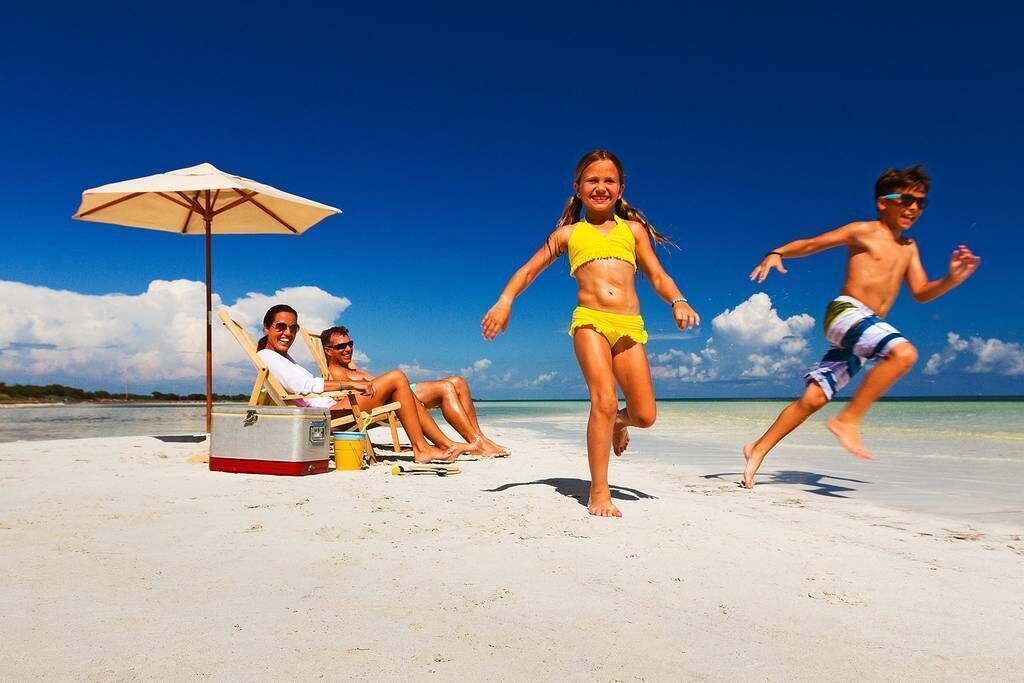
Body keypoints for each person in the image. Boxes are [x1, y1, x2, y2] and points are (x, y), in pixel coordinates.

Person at [481, 150, 700, 517]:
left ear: (620, 189)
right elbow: (528, 271)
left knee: (644, 415)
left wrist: (678, 300)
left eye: (608, 181)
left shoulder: (633, 231)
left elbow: (658, 276)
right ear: (578, 188)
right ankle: (599, 491)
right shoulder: (568, 234)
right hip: (590, 321)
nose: (600, 186)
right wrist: (504, 301)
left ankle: (617, 423)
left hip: (630, 326)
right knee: (603, 399)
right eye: (592, 180)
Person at [742, 164, 981, 488]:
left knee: (812, 400)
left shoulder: (909, 249)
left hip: (864, 331)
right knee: (904, 354)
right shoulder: (863, 231)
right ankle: (849, 419)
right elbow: (813, 244)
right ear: (884, 201)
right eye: (906, 199)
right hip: (846, 313)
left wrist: (952, 279)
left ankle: (757, 449)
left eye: (920, 203)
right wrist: (777, 252)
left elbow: (922, 293)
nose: (913, 208)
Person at [255, 304, 465, 464]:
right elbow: (306, 386)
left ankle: (436, 445)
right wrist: (350, 385)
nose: (288, 333)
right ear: (266, 328)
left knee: (398, 385)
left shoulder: (283, 358)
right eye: (280, 327)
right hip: (325, 417)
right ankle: (423, 448)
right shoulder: (268, 356)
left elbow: (305, 387)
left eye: (293, 328)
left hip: (330, 408)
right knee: (397, 377)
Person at [319, 325, 509, 457]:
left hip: (397, 391)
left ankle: (479, 440)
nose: (348, 349)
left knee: (458, 382)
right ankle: (477, 443)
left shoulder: (351, 368)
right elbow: (346, 393)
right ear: (328, 351)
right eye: (341, 346)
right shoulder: (336, 372)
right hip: (392, 398)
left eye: (350, 344)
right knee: (446, 387)